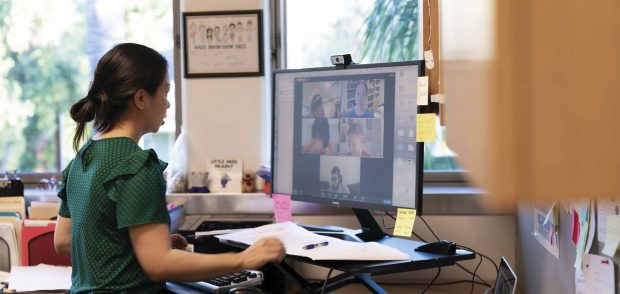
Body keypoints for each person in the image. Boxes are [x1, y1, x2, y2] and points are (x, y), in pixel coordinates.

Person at [54, 43, 285, 293]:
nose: (167, 104)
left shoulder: (81, 160)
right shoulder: (136, 166)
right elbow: (159, 264)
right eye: (165, 92)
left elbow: (64, 242)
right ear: (141, 98)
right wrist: (245, 259)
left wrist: (140, 244)